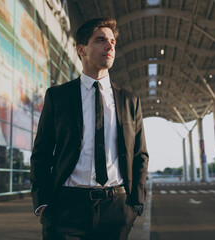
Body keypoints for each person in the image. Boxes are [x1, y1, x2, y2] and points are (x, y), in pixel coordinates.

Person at [30, 17, 149, 240]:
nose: (110, 45)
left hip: (116, 208)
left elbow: (140, 155)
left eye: (112, 41)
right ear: (81, 49)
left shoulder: (130, 101)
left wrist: (136, 204)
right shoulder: (58, 97)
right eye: (100, 40)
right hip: (66, 207)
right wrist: (42, 204)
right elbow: (42, 153)